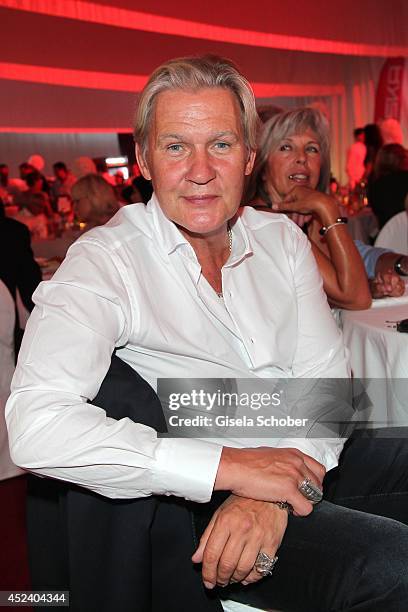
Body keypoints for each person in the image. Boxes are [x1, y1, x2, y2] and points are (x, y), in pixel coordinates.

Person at [6, 55, 408, 612]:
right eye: (175, 147)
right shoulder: (105, 261)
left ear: (248, 156)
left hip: (300, 451)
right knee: (392, 567)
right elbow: (37, 425)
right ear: (144, 159)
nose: (200, 170)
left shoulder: (281, 242)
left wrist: (276, 494)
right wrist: (234, 471)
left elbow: (324, 386)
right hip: (195, 497)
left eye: (220, 144)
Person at [246, 107, 371, 310]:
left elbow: (336, 287)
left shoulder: (306, 219)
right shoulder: (265, 222)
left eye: (312, 148)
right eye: (286, 147)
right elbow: (356, 298)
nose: (302, 157)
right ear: (263, 168)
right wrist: (327, 207)